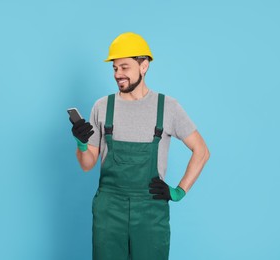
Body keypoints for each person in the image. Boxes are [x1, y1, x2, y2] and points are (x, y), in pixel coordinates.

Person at [70, 32, 210, 260]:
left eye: (124, 67)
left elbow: (202, 151)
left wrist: (179, 191)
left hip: (150, 210)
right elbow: (87, 165)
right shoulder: (102, 106)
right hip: (109, 209)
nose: (118, 74)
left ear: (143, 66)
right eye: (115, 68)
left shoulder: (168, 107)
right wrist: (81, 144)